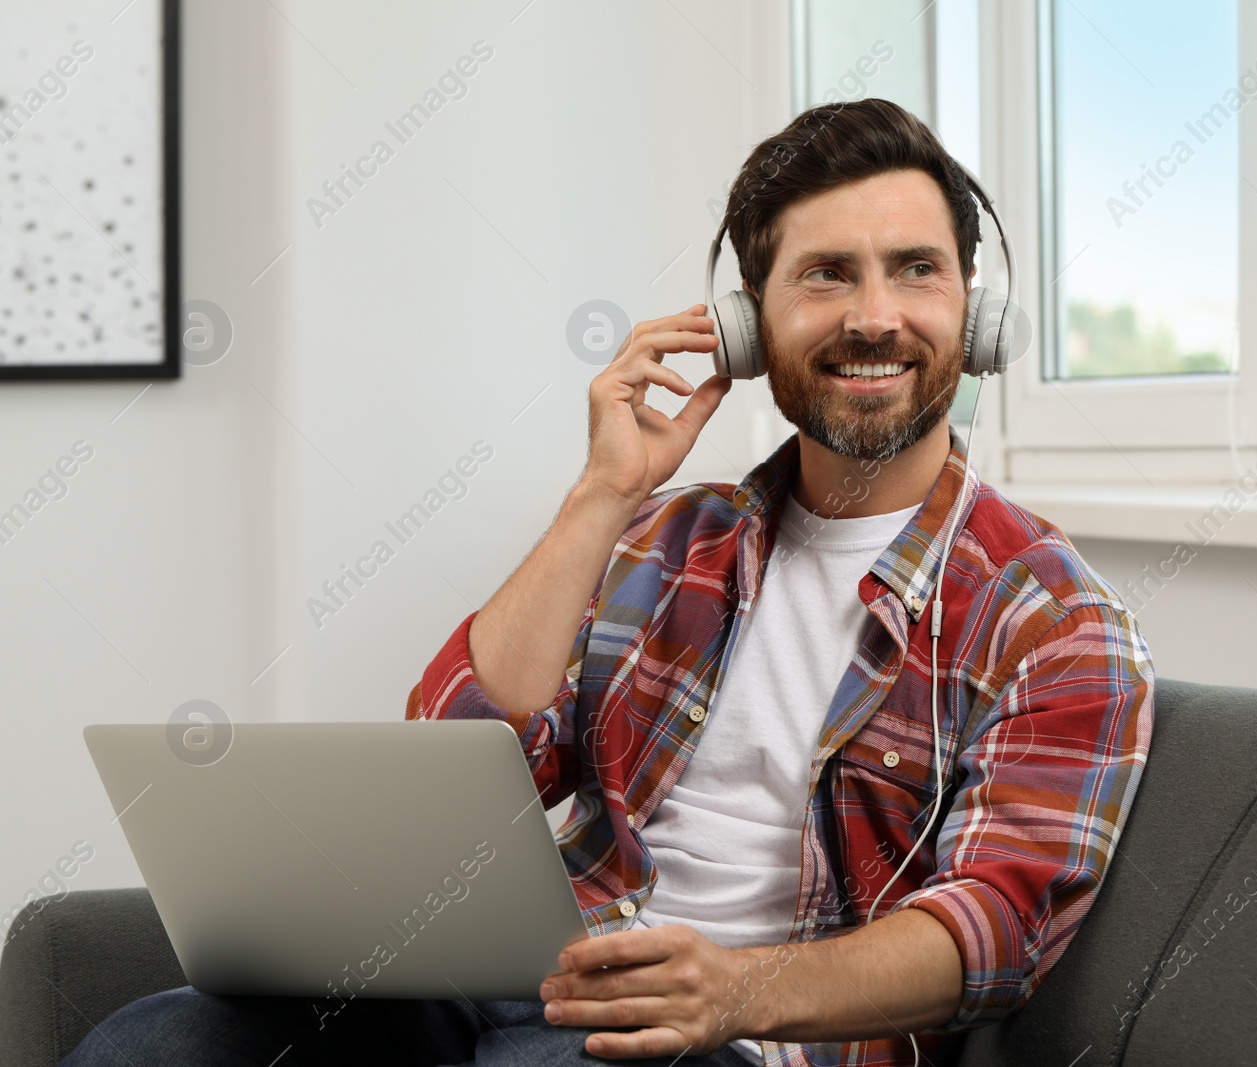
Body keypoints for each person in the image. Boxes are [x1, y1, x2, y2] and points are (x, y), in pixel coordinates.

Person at [61, 97, 1152, 1067]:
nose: (875, 315)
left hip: (746, 1038)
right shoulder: (671, 541)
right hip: (536, 979)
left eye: (915, 268)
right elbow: (458, 757)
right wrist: (600, 491)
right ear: (746, 326)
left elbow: (995, 926)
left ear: (978, 309)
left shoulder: (1054, 621)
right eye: (826, 274)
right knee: (157, 1039)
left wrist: (735, 989)